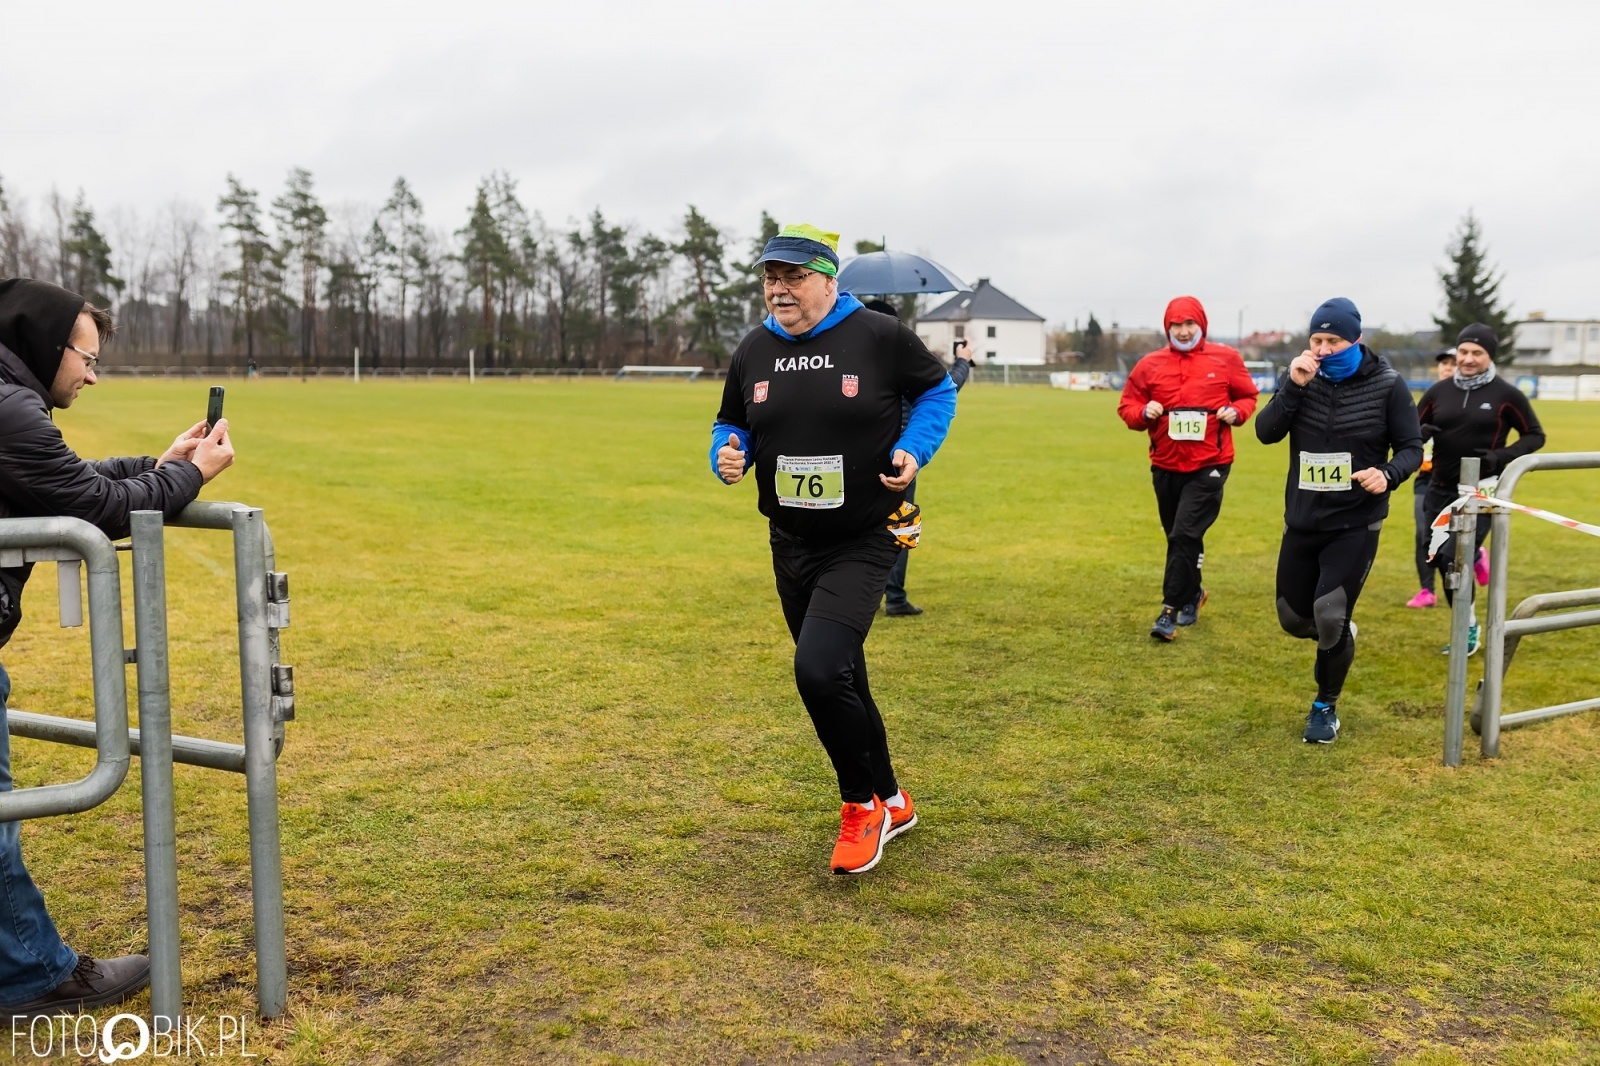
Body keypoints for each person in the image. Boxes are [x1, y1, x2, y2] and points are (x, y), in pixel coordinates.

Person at [0, 279, 234, 1015]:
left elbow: (69, 483)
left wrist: (163, 464)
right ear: (46, 343)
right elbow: (93, 506)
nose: (93, 375)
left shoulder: (10, 404)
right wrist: (191, 476)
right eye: (87, 357)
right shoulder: (7, 409)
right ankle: (33, 975)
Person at [710, 225, 956, 875]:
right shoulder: (753, 349)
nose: (778, 290)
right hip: (789, 542)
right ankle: (895, 800)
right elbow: (732, 420)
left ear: (828, 279)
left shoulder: (877, 336)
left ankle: (860, 807)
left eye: (792, 277)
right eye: (770, 278)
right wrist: (727, 453)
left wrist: (913, 448)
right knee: (843, 675)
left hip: (865, 536)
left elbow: (938, 390)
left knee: (818, 671)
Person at [1255, 298, 1420, 744]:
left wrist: (1386, 474)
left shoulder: (1388, 385)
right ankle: (1340, 633)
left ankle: (1325, 706)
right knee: (1293, 619)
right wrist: (1293, 386)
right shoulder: (1300, 378)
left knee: (1328, 613)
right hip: (1303, 521)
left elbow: (1411, 448)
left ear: (1355, 340)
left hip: (1354, 523)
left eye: (1333, 340)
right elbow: (1265, 432)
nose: (1323, 348)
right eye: (1317, 339)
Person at [1116, 296, 1259, 641]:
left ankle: (1169, 610)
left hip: (1210, 463)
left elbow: (1248, 397)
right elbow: (1127, 407)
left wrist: (1235, 413)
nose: (1182, 331)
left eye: (1189, 324)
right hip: (1165, 464)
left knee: (1183, 534)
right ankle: (1194, 593)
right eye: (1176, 325)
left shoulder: (1226, 358)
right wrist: (1143, 412)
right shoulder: (1149, 365)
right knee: (1179, 536)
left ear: (1201, 325)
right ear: (1167, 328)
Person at [1416, 323, 1545, 654]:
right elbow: (1410, 430)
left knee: (1452, 560)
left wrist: (1501, 456)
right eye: (1463, 351)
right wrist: (1420, 433)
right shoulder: (1438, 392)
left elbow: (1534, 434)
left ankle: (1467, 626)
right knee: (1439, 560)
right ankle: (1472, 582)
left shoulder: (1506, 394)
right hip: (1439, 490)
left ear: (1490, 356)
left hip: (1481, 493)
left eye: (1477, 353)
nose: (1468, 359)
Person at [859, 299, 975, 617]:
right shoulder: (903, 361)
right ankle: (893, 596)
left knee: (866, 527)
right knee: (902, 525)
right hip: (902, 460)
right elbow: (946, 387)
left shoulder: (852, 362)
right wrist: (963, 360)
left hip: (859, 459)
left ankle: (867, 592)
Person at [1404, 348, 1458, 608]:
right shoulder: (1431, 398)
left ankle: (1477, 555)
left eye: (1453, 363)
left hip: (1458, 480)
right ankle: (1427, 590)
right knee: (1423, 533)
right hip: (1426, 478)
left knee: (1454, 538)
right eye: (1444, 363)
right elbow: (1410, 432)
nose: (1448, 367)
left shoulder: (1468, 401)